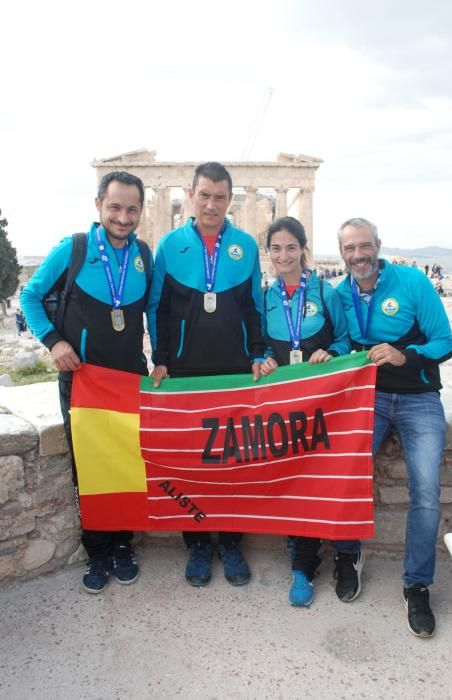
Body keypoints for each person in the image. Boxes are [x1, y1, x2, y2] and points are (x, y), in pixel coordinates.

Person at [20, 171, 153, 594]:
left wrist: (162, 359)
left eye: (132, 208)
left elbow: (153, 309)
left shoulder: (143, 255)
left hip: (130, 378)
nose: (123, 216)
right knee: (90, 467)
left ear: (140, 211)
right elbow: (30, 297)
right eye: (115, 207)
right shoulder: (73, 248)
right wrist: (53, 341)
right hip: (82, 381)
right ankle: (97, 551)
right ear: (98, 205)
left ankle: (123, 546)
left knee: (129, 464)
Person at [147, 162, 265, 588]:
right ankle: (196, 543)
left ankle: (231, 542)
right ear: (191, 195)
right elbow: (157, 306)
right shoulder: (169, 246)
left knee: (233, 463)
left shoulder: (246, 246)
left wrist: (258, 353)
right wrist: (160, 357)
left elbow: (253, 306)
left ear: (229, 200)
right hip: (184, 373)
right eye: (204, 195)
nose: (211, 204)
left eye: (219, 197)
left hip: (234, 373)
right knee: (189, 463)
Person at [335, 217, 452, 638]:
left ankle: (416, 584)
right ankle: (348, 556)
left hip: (420, 398)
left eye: (364, 246)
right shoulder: (339, 294)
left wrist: (406, 356)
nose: (358, 255)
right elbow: (338, 346)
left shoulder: (413, 283)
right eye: (349, 249)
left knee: (426, 489)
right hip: (369, 400)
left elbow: (445, 342)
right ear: (342, 253)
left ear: (378, 246)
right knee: (346, 476)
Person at [258, 216, 351, 607]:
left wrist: (331, 354)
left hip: (321, 403)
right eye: (276, 248)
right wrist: (262, 359)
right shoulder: (265, 297)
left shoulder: (326, 293)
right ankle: (297, 541)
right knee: (288, 475)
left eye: (291, 247)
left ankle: (303, 565)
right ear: (269, 253)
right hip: (283, 406)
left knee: (312, 478)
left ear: (303, 249)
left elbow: (346, 340)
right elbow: (262, 345)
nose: (284, 255)